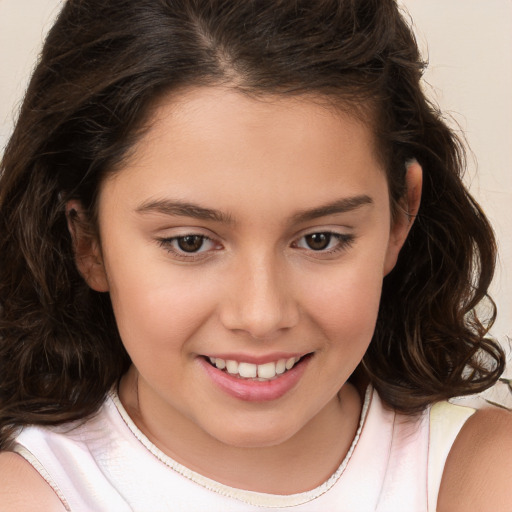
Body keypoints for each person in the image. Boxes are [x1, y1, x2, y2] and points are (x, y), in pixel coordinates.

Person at [0, 0, 510, 510]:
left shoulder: (480, 470)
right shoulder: (26, 492)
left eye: (320, 239)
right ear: (87, 241)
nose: (261, 316)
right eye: (190, 242)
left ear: (401, 217)